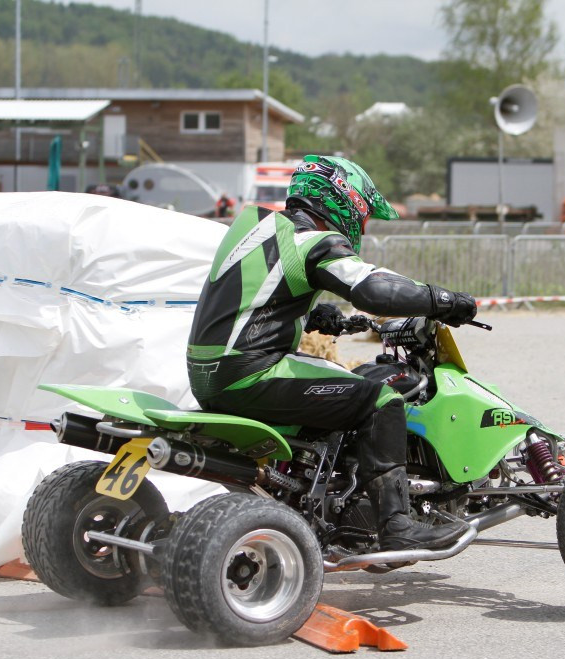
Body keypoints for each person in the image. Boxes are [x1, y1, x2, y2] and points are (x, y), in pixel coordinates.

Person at [186, 154, 478, 551]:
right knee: (379, 397)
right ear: (345, 202)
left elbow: (257, 296)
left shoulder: (256, 229)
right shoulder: (315, 241)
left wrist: (318, 314)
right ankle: (397, 525)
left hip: (209, 374)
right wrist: (442, 299)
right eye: (364, 217)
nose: (362, 226)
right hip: (252, 373)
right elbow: (374, 290)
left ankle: (321, 497)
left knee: (334, 378)